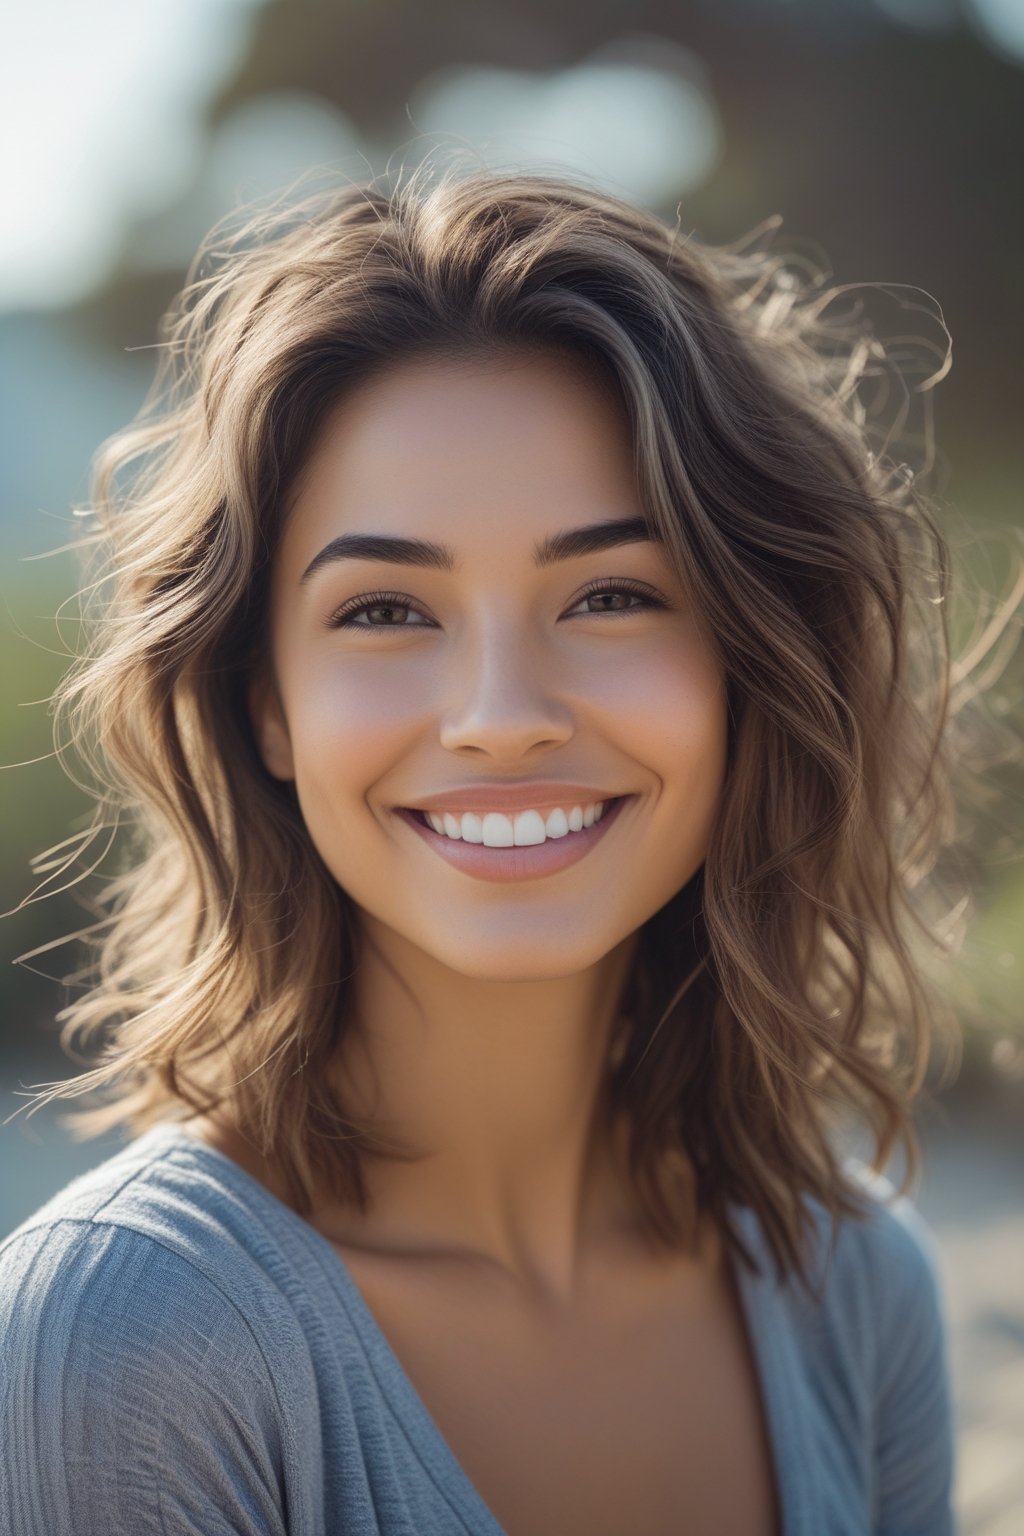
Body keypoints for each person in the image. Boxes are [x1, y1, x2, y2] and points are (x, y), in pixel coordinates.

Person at [0, 165, 960, 1534]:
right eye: (387, 611)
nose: (503, 719)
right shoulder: (123, 1338)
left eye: (614, 594)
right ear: (265, 704)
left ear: (750, 662)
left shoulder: (857, 1285)